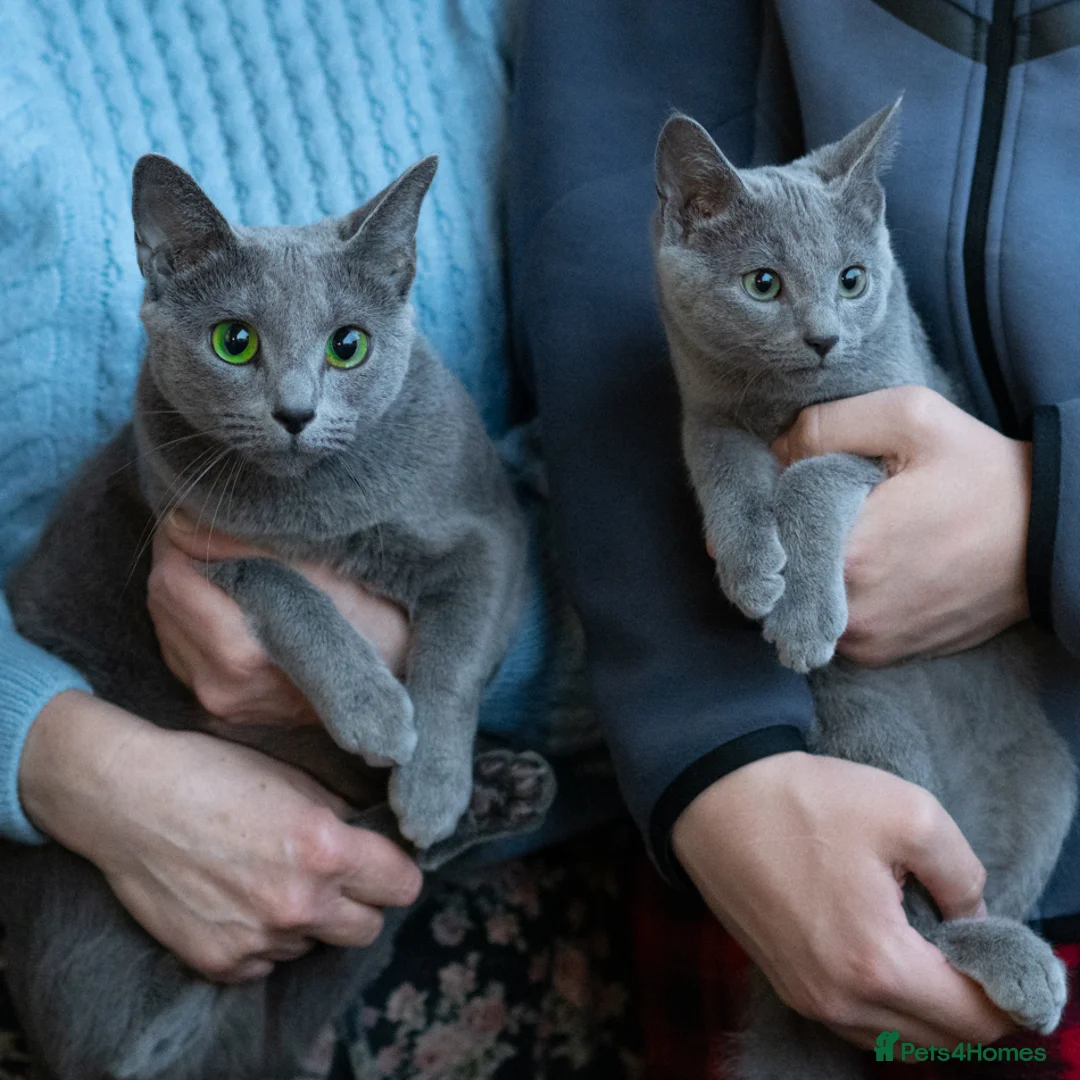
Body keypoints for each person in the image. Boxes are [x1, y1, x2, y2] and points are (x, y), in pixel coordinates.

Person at [0, 1, 636, 1077]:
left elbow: (630, 478)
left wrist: (445, 686)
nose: (294, 401)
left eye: (341, 346)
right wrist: (56, 760)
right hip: (77, 856)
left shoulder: (494, 20)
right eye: (239, 342)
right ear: (162, 268)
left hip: (494, 920)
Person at [507, 0, 1080, 1074]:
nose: (822, 332)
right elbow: (593, 268)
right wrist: (720, 763)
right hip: (777, 806)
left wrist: (1052, 516)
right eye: (779, 294)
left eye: (846, 292)